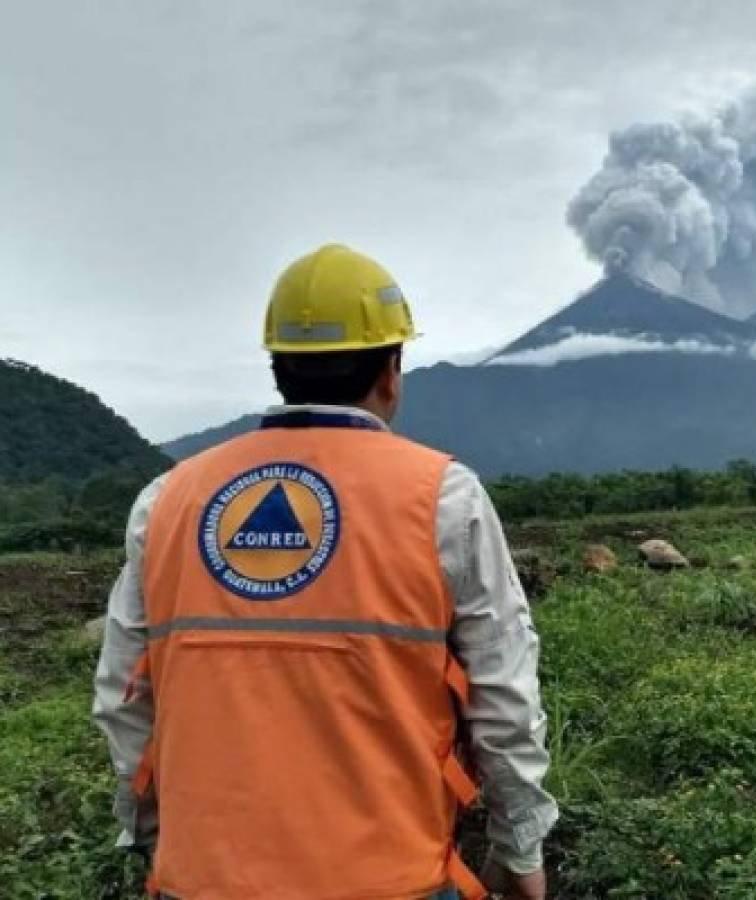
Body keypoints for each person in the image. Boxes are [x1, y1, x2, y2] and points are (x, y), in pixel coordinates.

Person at [92, 244, 557, 899]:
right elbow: (504, 697)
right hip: (392, 879)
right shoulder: (442, 497)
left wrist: (151, 834)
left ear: (278, 367)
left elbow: (123, 696)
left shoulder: (167, 500)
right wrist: (520, 846)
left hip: (203, 878)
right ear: (392, 370)